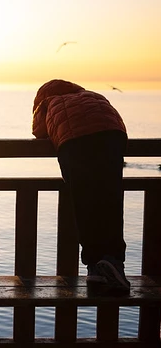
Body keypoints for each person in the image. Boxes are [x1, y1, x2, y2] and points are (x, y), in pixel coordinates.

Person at [32, 79, 129, 291]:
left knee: (83, 201)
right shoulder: (94, 96)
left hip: (75, 142)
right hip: (111, 136)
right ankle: (114, 263)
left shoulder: (49, 103)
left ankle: (95, 266)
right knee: (110, 198)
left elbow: (38, 131)